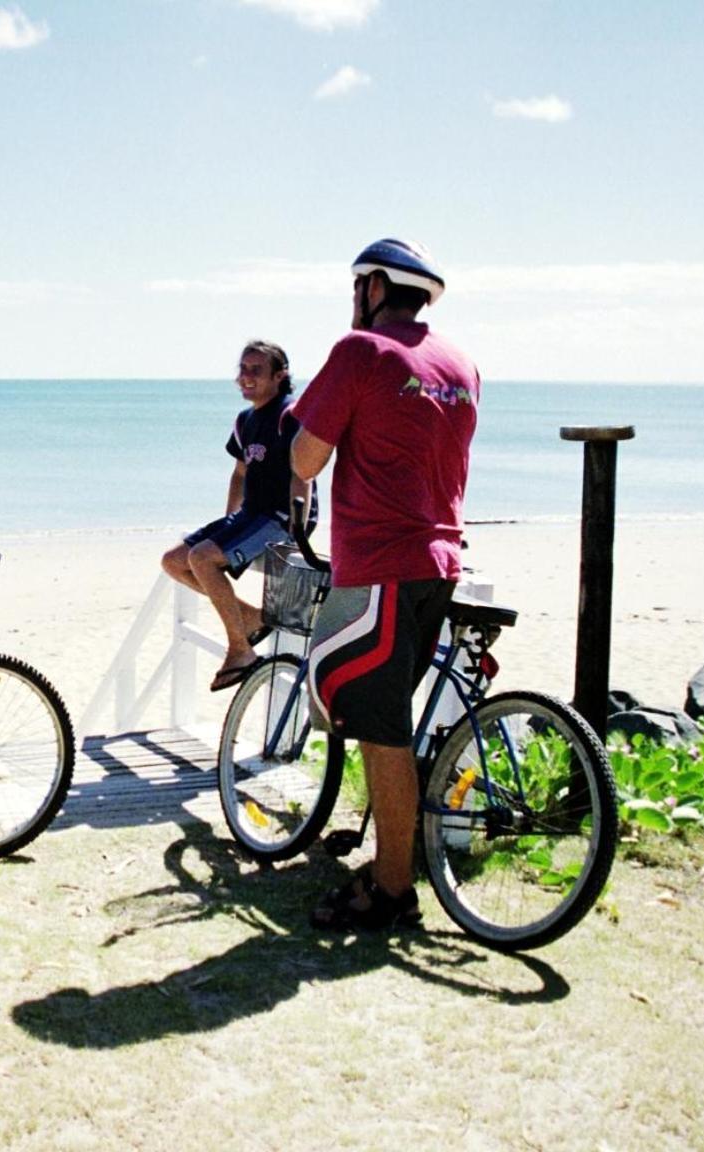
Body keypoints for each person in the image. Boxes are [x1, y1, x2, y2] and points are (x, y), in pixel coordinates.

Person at [288, 238, 479, 932]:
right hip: (440, 562)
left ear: (371, 288)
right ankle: (390, 859)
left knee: (378, 724)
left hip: (381, 564)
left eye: (355, 288)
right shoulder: (460, 364)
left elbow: (307, 455)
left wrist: (299, 461)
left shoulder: (359, 351)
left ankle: (393, 888)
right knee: (386, 710)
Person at [162, 340, 314, 693]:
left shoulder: (290, 416)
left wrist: (299, 525)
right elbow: (241, 474)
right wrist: (228, 521)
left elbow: (303, 471)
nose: (245, 377)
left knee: (202, 559)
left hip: (279, 516)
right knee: (173, 561)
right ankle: (248, 616)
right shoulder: (245, 421)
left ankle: (240, 649)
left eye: (256, 370)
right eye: (242, 369)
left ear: (280, 375)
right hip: (249, 515)